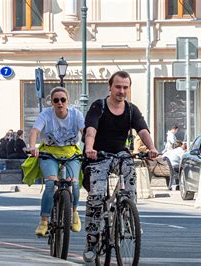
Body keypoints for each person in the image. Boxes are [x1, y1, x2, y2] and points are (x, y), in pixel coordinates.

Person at [82, 70, 158, 262]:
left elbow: (142, 130)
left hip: (120, 154)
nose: (121, 91)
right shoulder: (98, 106)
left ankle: (127, 216)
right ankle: (92, 240)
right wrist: (89, 148)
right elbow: (91, 130)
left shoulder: (131, 110)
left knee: (130, 173)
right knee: (96, 195)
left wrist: (152, 148)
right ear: (110, 87)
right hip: (98, 155)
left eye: (125, 87)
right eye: (118, 87)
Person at [26, 87, 85, 237]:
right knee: (51, 183)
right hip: (49, 152)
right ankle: (44, 221)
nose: (60, 103)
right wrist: (32, 147)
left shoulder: (76, 114)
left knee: (75, 183)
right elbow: (35, 131)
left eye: (63, 100)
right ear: (51, 102)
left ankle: (74, 212)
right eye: (56, 100)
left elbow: (85, 131)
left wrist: (90, 147)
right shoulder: (45, 114)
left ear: (68, 101)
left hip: (71, 151)